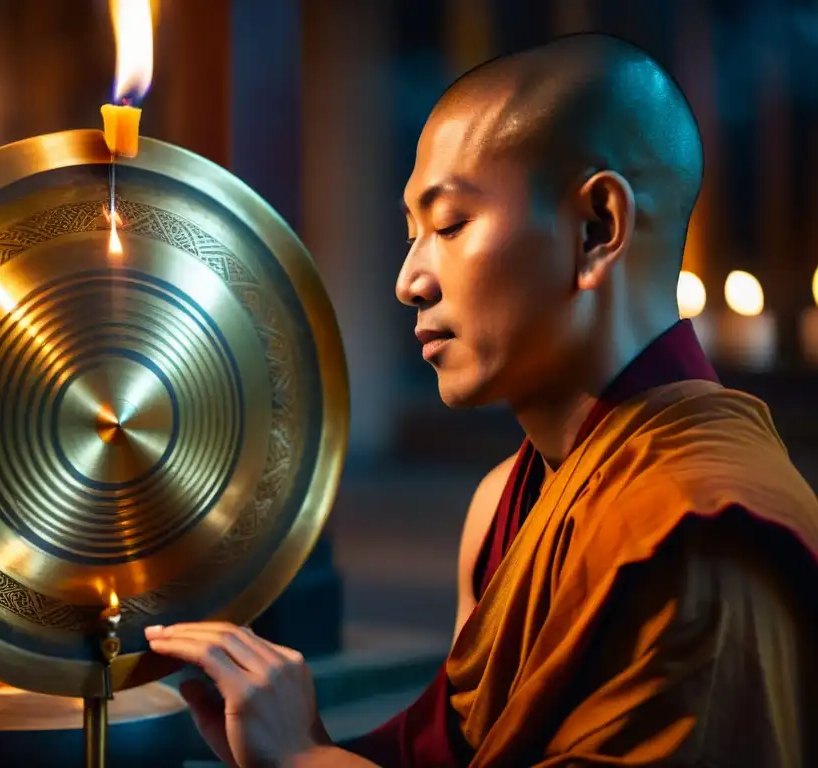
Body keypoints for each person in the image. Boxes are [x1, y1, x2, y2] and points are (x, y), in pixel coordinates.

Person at [144, 32, 818, 767]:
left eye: (450, 224)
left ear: (597, 229)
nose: (410, 280)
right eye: (410, 235)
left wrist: (304, 760)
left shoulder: (700, 535)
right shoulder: (504, 502)